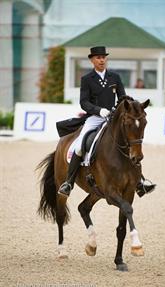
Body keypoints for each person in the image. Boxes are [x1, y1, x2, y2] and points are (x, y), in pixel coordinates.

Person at [58, 46, 156, 197]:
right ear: (92, 60)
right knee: (79, 146)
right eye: (98, 57)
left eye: (103, 57)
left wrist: (133, 104)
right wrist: (99, 110)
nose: (101, 60)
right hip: (94, 118)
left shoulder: (114, 77)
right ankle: (69, 183)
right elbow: (84, 103)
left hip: (112, 118)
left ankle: (140, 182)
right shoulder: (86, 79)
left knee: (129, 143)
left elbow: (123, 98)